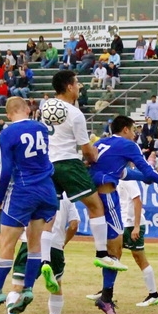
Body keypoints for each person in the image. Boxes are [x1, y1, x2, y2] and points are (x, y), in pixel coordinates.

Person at [0, 98, 59, 314]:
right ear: (24, 109)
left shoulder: (7, 133)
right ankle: (28, 289)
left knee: (7, 244)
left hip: (23, 191)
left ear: (9, 112)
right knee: (34, 244)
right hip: (47, 190)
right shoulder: (41, 128)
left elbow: (6, 168)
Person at [86, 116, 158, 314]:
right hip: (106, 194)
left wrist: (145, 177)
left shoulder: (102, 143)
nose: (136, 134)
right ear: (126, 130)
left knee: (114, 249)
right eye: (134, 129)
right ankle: (106, 296)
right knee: (116, 248)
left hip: (91, 193)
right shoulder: (128, 145)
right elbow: (146, 170)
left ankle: (106, 293)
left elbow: (124, 173)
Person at [43, 70, 123, 274]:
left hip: (48, 164)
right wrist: (94, 156)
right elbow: (87, 150)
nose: (80, 86)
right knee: (95, 206)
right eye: (77, 82)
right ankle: (101, 254)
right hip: (68, 163)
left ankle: (43, 260)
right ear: (69, 86)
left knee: (49, 214)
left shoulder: (45, 108)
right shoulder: (75, 113)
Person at [7, 198, 79, 314]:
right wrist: (63, 242)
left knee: (17, 286)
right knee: (56, 287)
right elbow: (74, 224)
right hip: (55, 246)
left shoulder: (33, 189)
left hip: (30, 243)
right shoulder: (66, 195)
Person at [117, 180, 158, 307]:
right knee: (113, 255)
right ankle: (106, 292)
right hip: (124, 224)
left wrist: (136, 226)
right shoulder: (116, 177)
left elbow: (137, 201)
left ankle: (154, 295)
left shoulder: (128, 179)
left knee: (139, 258)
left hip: (132, 224)